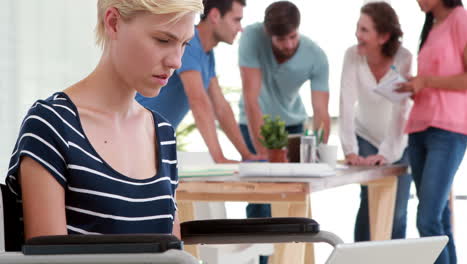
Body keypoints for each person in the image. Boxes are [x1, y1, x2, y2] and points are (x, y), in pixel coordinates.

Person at [3, 0, 203, 249]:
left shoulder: (162, 133)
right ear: (113, 22)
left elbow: (172, 253)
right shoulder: (52, 125)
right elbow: (48, 260)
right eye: (163, 40)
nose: (176, 61)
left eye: (184, 44)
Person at [238, 1, 330, 263]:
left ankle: (288, 258)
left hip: (292, 127)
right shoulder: (252, 38)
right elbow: (251, 99)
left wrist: (318, 152)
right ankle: (260, 260)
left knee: (291, 198)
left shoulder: (316, 55)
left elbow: (321, 112)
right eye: (280, 39)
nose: (288, 44)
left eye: (292, 37)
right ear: (268, 34)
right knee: (259, 198)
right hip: (254, 122)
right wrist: (263, 153)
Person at [136, 0, 259, 163]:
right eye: (236, 20)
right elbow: (198, 101)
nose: (240, 28)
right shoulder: (189, 42)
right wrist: (219, 158)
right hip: (135, 134)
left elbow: (220, 106)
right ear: (215, 16)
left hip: (152, 141)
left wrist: (247, 155)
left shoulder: (207, 53)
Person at [395, 1, 467, 263]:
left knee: (427, 220)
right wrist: (416, 87)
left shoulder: (461, 19)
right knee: (438, 221)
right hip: (419, 127)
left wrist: (427, 81)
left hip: (448, 129)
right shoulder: (432, 25)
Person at [339, 2, 413, 242]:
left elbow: (401, 111)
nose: (357, 35)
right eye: (357, 28)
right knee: (369, 202)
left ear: (383, 36)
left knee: (397, 211)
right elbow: (346, 104)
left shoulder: (404, 58)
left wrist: (387, 154)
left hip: (400, 140)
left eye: (364, 30)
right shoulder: (352, 56)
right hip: (366, 136)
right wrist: (350, 150)